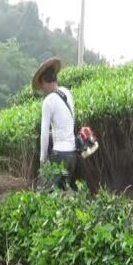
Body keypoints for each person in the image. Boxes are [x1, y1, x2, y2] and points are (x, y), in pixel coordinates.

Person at [32, 57, 78, 190]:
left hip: (60, 154)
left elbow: (44, 134)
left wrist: (42, 161)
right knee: (64, 192)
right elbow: (68, 122)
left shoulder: (48, 101)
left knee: (46, 193)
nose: (42, 89)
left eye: (41, 86)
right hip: (72, 154)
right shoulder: (67, 93)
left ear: (45, 82)